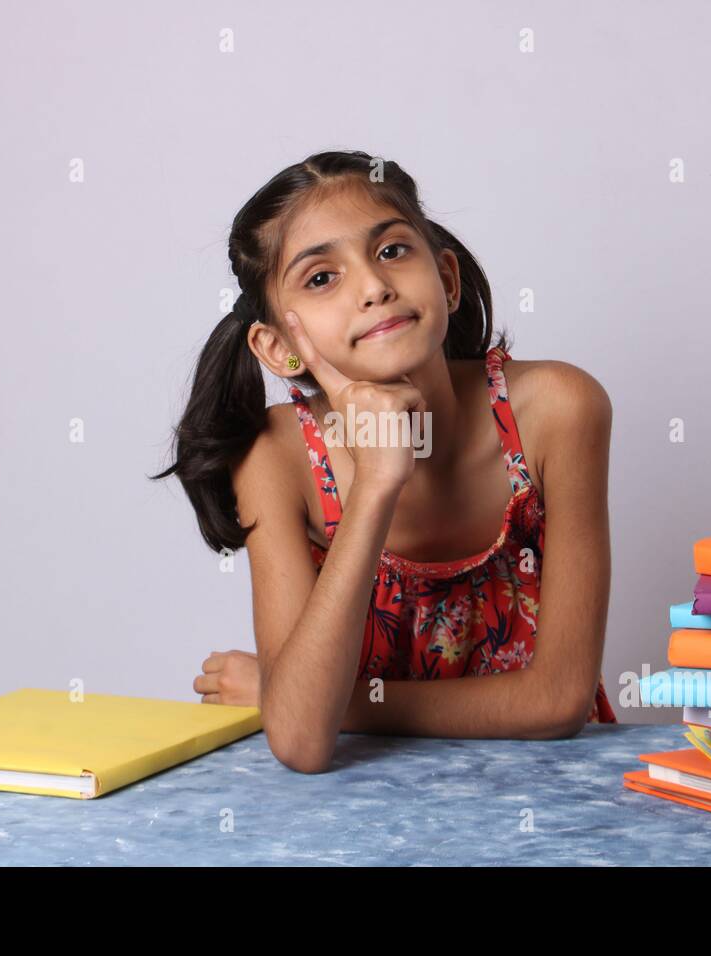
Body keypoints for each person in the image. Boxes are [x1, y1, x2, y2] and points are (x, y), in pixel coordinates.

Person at [154, 150, 615, 773]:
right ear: (280, 346)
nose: (373, 286)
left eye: (393, 250)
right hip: (362, 809)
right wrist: (375, 484)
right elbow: (301, 746)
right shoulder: (277, 456)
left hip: (556, 794)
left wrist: (299, 698)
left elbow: (557, 701)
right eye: (321, 278)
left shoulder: (559, 410)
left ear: (447, 280)